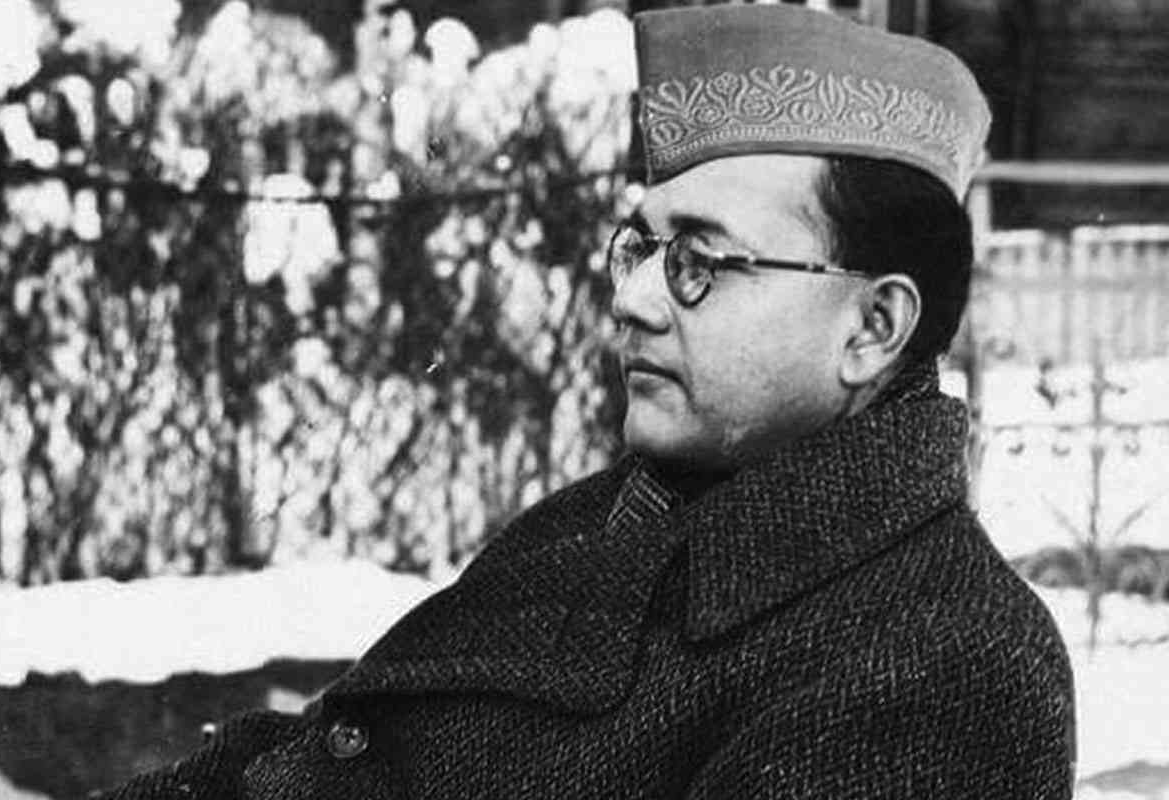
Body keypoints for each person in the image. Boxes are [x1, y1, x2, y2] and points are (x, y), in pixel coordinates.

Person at [97, 4, 1075, 798]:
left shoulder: (943, 664)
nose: (634, 297)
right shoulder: (615, 518)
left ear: (873, 328)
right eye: (642, 248)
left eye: (700, 261)